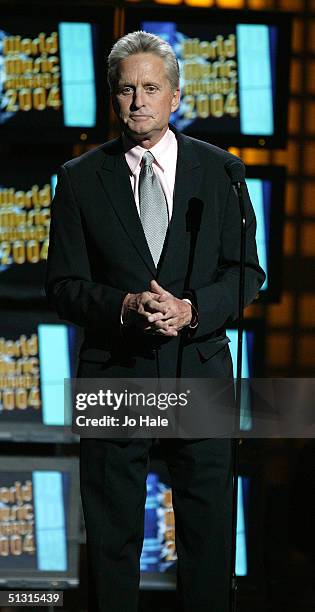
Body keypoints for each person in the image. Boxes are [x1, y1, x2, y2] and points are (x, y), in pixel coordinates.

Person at [46, 31, 265, 612]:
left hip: (199, 371)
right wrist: (123, 307)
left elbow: (247, 272)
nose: (138, 100)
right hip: (115, 376)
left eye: (151, 87)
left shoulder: (222, 173)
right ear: (112, 98)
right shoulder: (78, 179)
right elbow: (63, 287)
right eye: (126, 89)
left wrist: (192, 309)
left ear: (174, 96)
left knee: (209, 537)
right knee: (114, 541)